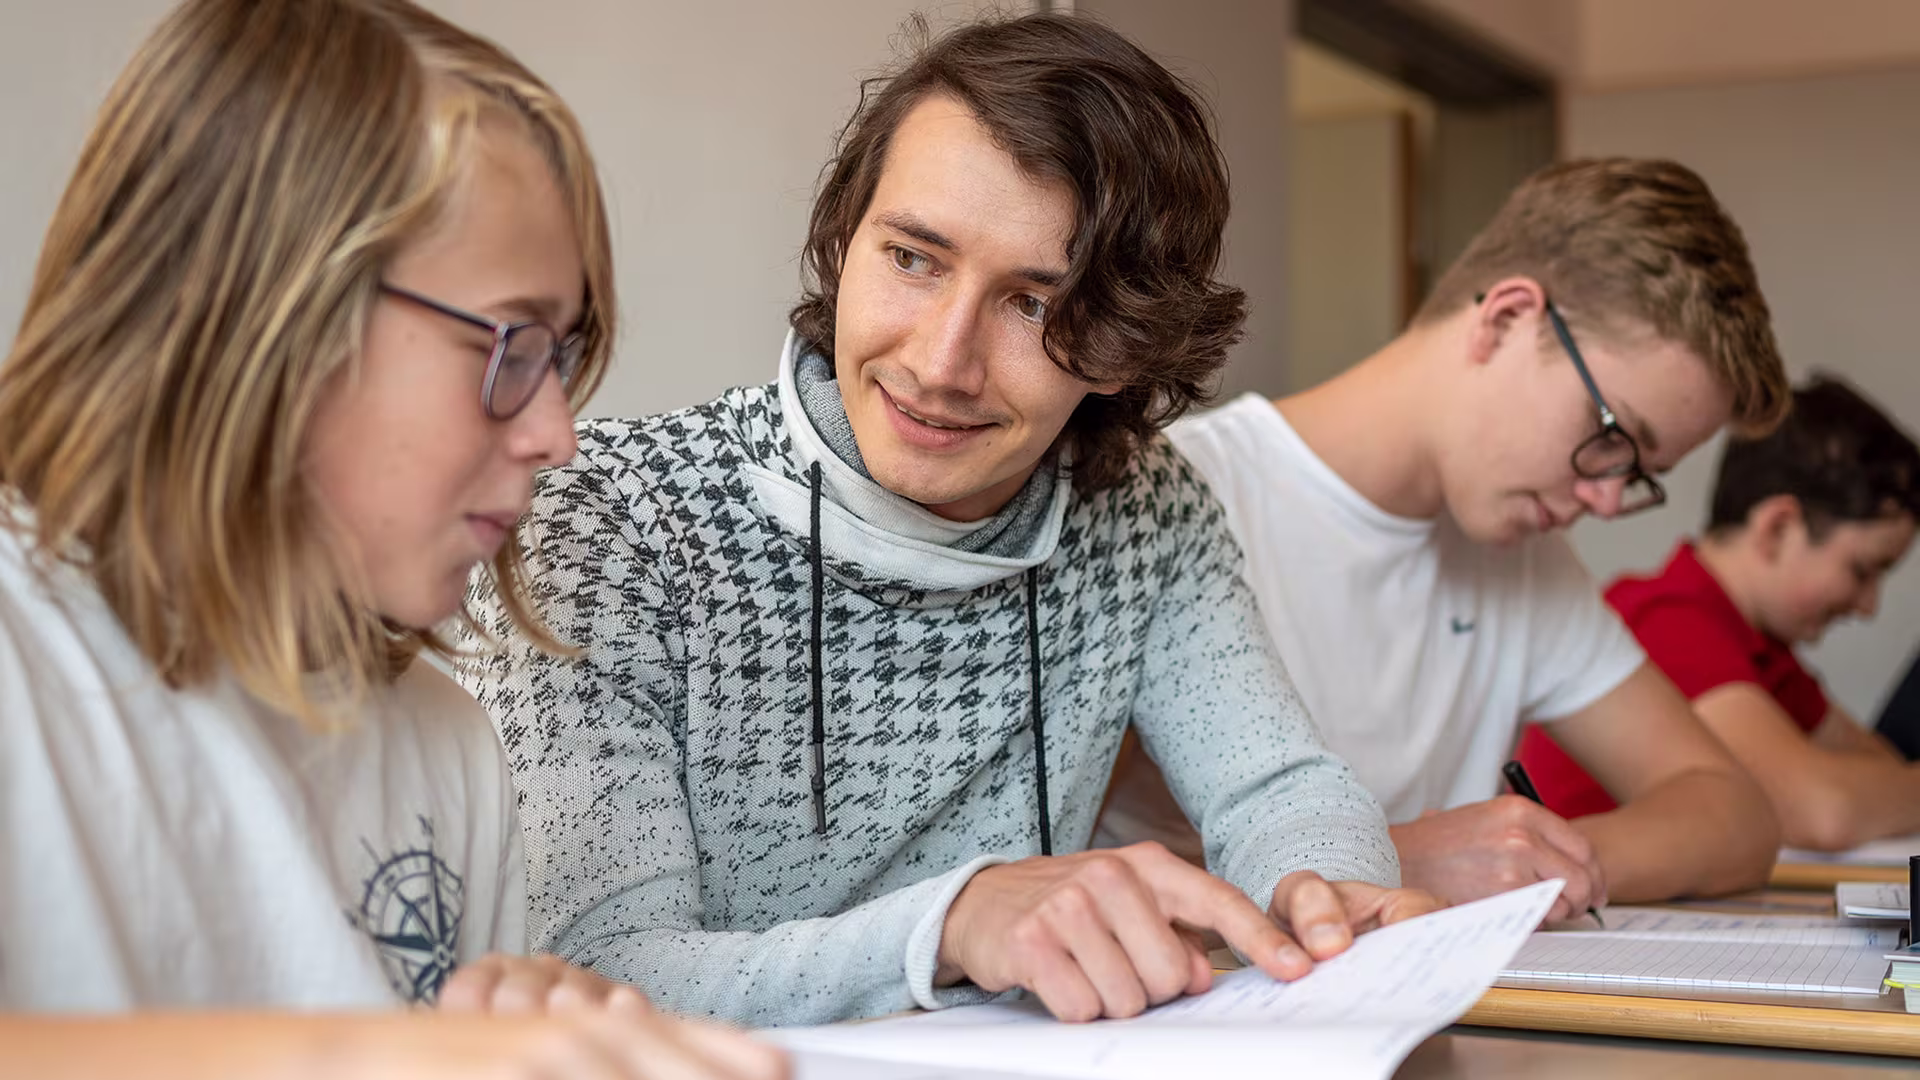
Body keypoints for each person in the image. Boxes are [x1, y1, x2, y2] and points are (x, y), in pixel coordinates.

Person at [459, 11, 1435, 1029]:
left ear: (1125, 346)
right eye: (913, 258)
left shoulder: (1146, 509)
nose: (940, 362)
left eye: (1033, 305)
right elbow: (596, 978)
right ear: (843, 241)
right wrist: (951, 926)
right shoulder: (606, 514)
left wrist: (1328, 895)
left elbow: (1278, 788)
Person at [0, 2, 780, 1077]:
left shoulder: (446, 746)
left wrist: (528, 1031)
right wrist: (359, 1052)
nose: (558, 434)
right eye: (511, 347)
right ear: (265, 305)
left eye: (561, 359)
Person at [1098, 158, 1787, 923]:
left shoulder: (1525, 563)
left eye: (1638, 476)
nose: (1604, 498)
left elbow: (1734, 816)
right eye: (1612, 437)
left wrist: (1520, 860)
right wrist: (1388, 860)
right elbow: (1040, 873)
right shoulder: (1172, 496)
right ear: (1506, 321)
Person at [1519, 377, 1920, 850]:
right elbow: (1823, 811)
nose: (1869, 605)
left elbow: (1885, 773)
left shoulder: (1763, 649)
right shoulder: (1668, 619)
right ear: (1778, 528)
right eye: (1862, 570)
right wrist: (1853, 792)